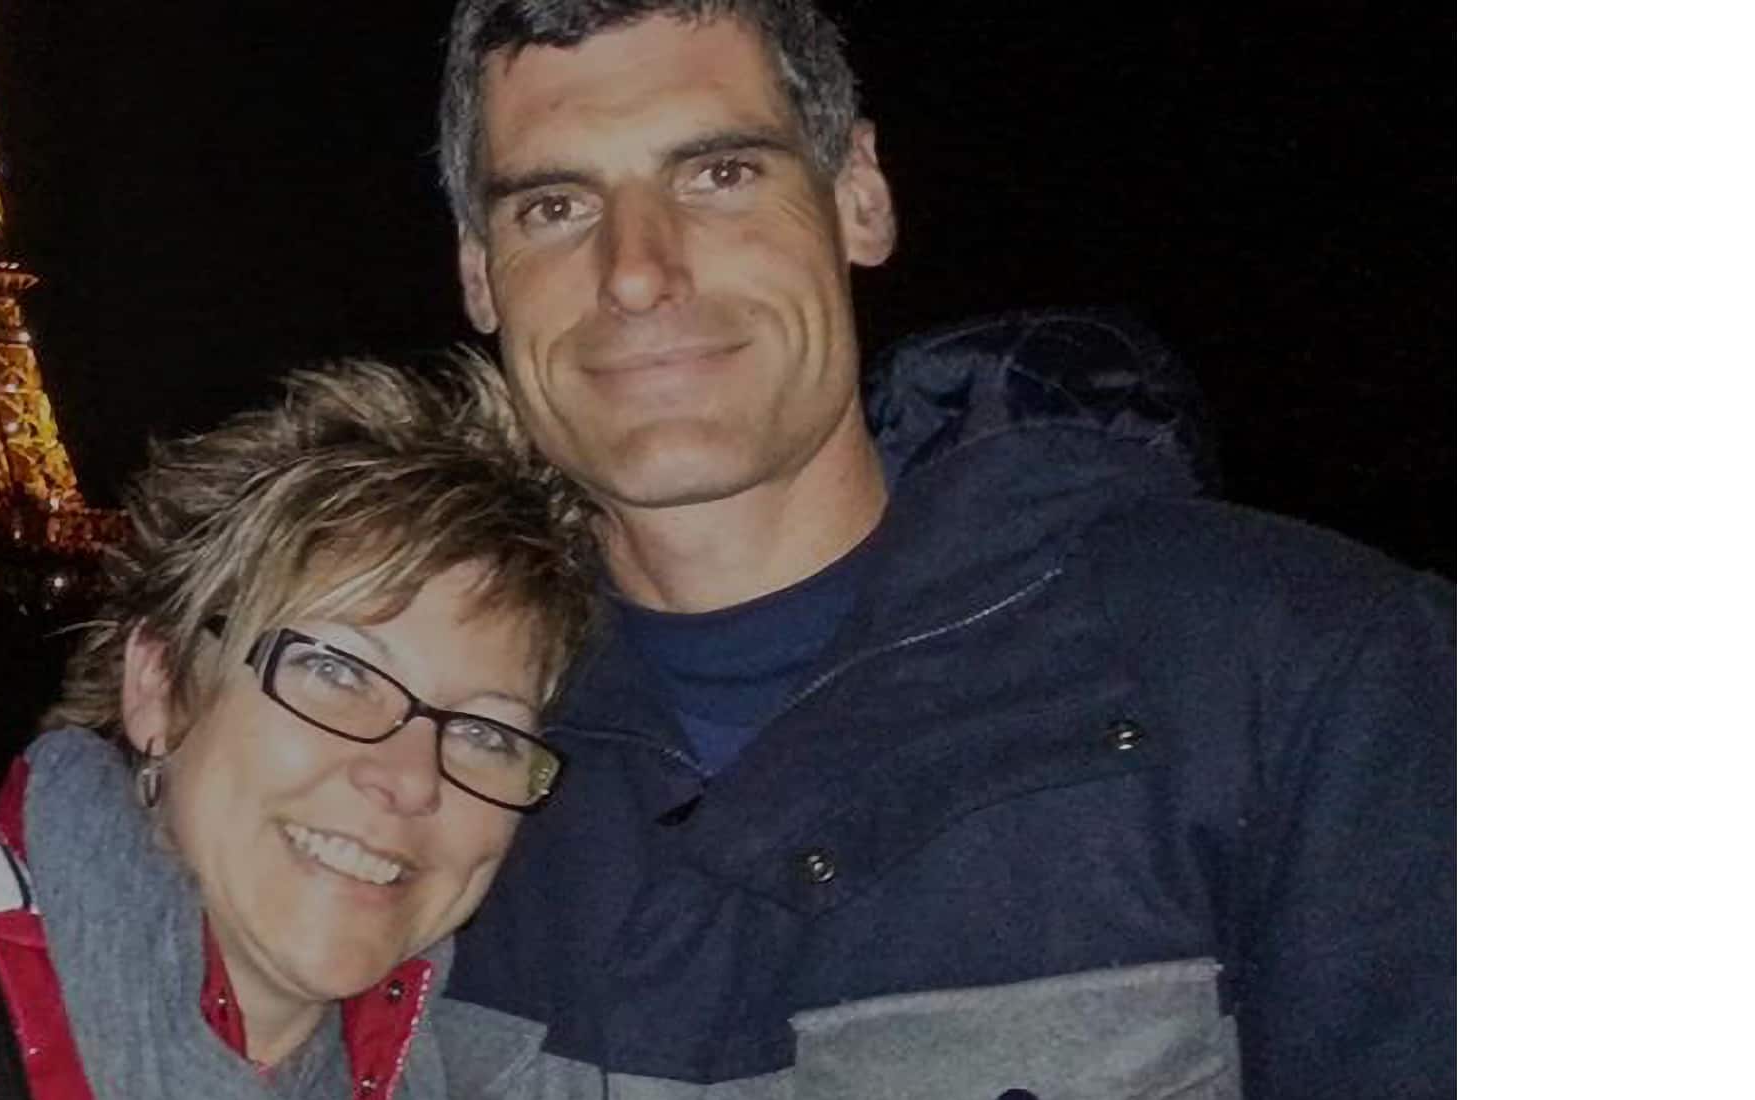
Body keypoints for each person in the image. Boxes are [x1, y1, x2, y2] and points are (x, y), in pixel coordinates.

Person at [427, 3, 1456, 1098]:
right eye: (554, 206)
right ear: (481, 273)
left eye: (720, 174)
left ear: (858, 196)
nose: (637, 272)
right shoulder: (399, 766)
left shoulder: (1310, 673)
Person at [0, 355, 603, 1100]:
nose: (410, 777)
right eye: (337, 672)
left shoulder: (483, 1073)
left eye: (486, 732)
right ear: (158, 685)